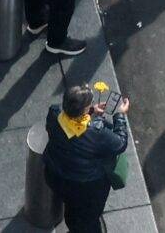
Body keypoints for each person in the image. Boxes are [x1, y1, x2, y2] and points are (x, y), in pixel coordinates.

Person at [41, 81, 133, 231]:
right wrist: (120, 115)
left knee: (72, 210)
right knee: (86, 222)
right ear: (83, 110)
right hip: (85, 188)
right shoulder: (96, 133)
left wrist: (91, 113)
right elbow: (120, 143)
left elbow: (71, 127)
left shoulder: (54, 113)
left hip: (55, 176)